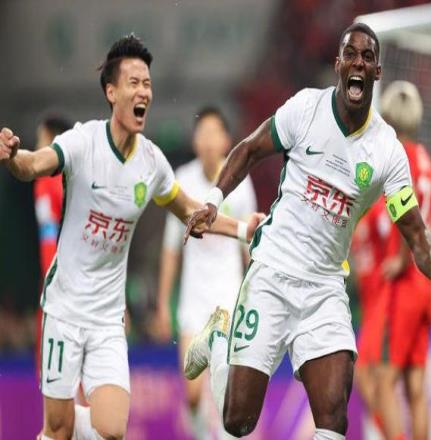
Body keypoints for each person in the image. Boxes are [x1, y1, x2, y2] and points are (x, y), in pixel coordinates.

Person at [183, 23, 431, 440]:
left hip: (324, 289)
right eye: (351, 54)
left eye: (367, 57)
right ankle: (220, 339)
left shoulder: (386, 149)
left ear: (377, 72)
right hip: (273, 273)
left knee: (333, 419)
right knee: (237, 422)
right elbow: (250, 149)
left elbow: (411, 223)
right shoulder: (306, 110)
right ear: (337, 64)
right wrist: (212, 199)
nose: (358, 63)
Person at [0, 35, 261, 440]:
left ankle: (62, 427)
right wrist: (14, 157)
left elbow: (192, 213)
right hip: (64, 311)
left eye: (148, 84)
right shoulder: (83, 142)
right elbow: (34, 164)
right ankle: (58, 428)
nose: (144, 92)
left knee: (111, 431)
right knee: (57, 429)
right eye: (134, 83)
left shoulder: (152, 163)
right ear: (111, 92)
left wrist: (245, 230)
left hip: (107, 319)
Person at [155, 106, 256, 439]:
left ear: (226, 140)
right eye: (203, 133)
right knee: (193, 393)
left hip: (228, 298)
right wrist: (162, 305)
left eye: (215, 133)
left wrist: (255, 299)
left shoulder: (240, 182)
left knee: (227, 391)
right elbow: (171, 250)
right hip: (193, 302)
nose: (209, 140)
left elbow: (249, 246)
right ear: (195, 141)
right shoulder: (183, 180)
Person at [377, 80, 431, 440]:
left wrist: (403, 261)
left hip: (405, 286)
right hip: (424, 286)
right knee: (415, 385)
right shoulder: (426, 159)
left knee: (384, 382)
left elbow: (410, 215)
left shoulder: (399, 158)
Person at [33, 114, 73, 375]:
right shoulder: (46, 181)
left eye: (40, 139)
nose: (37, 146)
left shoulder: (55, 181)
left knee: (58, 370)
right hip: (56, 284)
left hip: (63, 285)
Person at [350, 197, 390, 438]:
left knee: (365, 374)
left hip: (382, 304)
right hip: (368, 307)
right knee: (370, 377)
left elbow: (395, 240)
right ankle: (381, 429)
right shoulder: (356, 213)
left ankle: (386, 431)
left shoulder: (379, 210)